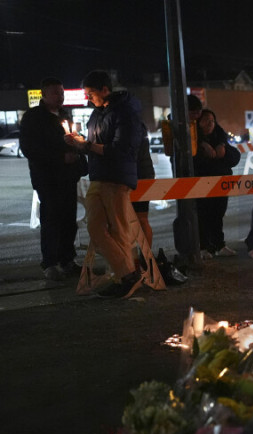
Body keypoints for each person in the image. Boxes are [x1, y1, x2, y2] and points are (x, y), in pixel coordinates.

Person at [64, 70, 146, 298]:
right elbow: (93, 145)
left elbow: (122, 150)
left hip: (117, 178)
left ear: (105, 89)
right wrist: (78, 143)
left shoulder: (125, 112)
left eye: (91, 93)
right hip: (98, 176)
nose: (88, 98)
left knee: (119, 230)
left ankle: (124, 278)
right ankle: (128, 273)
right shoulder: (96, 114)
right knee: (95, 227)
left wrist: (87, 146)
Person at [19, 77, 87, 281]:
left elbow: (74, 140)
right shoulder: (34, 118)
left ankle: (67, 260)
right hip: (47, 179)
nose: (60, 97)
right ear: (44, 94)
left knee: (69, 220)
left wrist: (78, 152)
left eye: (62, 92)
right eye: (56, 93)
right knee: (51, 220)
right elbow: (30, 149)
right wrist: (60, 158)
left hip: (68, 177)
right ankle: (50, 263)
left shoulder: (65, 115)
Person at [193, 109, 240, 259]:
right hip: (202, 185)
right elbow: (196, 163)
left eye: (212, 121)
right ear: (198, 123)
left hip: (221, 184)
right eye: (205, 120)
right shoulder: (194, 141)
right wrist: (203, 148)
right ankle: (204, 247)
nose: (209, 124)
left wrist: (224, 151)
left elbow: (235, 157)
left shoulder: (220, 138)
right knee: (203, 215)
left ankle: (219, 245)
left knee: (218, 215)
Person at [134, 122, 155, 248]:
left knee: (140, 219)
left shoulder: (131, 125)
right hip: (143, 173)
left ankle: (145, 256)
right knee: (142, 219)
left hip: (138, 175)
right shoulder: (137, 124)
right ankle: (146, 256)